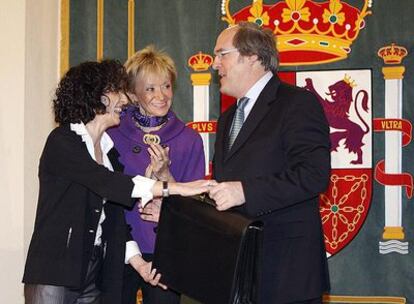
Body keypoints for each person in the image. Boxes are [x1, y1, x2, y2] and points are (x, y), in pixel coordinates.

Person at [22, 59, 209, 304]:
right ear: (98, 97)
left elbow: (114, 219)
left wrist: (140, 264)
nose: (124, 100)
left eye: (166, 86)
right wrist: (177, 188)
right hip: (58, 269)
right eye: (118, 92)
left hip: (95, 269)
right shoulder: (63, 140)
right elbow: (111, 184)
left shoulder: (107, 150)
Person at [208, 22, 331, 304]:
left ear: (251, 56)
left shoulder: (297, 103)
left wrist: (245, 191)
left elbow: (313, 175)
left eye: (221, 54)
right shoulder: (228, 118)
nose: (215, 64)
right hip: (239, 274)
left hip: (286, 275)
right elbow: (225, 187)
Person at [107, 45, 205, 304]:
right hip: (118, 245)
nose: (161, 96)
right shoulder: (111, 134)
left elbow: (195, 206)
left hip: (165, 248)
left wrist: (166, 176)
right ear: (132, 92)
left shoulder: (189, 139)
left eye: (166, 86)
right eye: (150, 88)